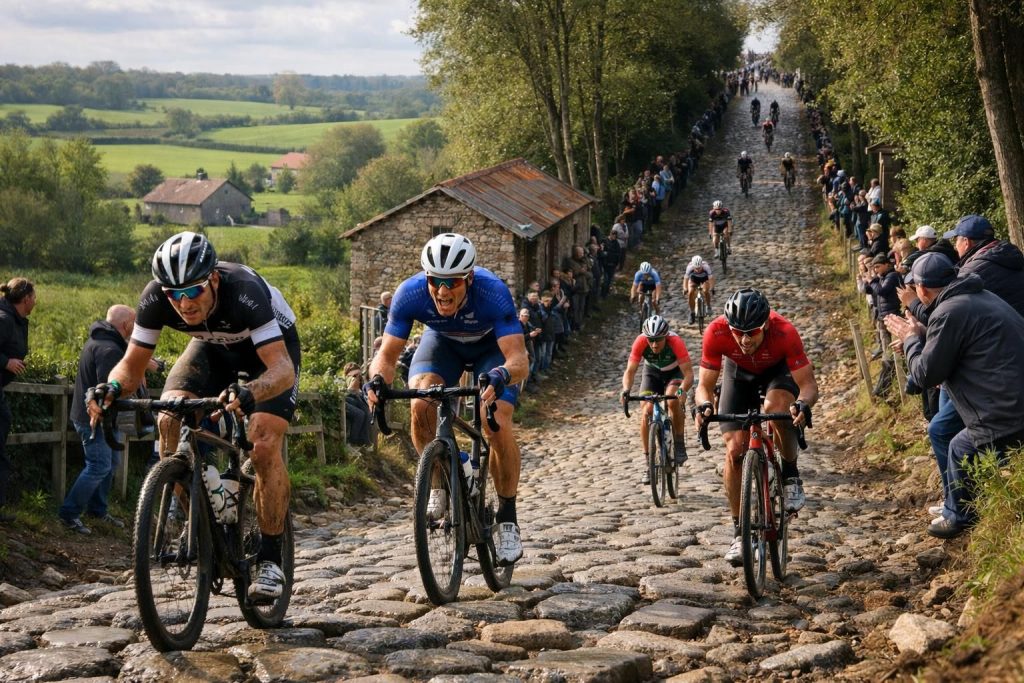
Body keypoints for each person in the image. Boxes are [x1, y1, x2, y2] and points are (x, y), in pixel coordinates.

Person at [86, 231, 300, 601]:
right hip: (210, 348)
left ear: (213, 279)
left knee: (263, 442)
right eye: (175, 294)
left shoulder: (244, 291)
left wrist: (251, 392)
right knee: (169, 417)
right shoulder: (156, 297)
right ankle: (200, 520)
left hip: (268, 353)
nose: (183, 303)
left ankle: (269, 558)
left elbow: (282, 369)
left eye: (193, 291)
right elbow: (131, 365)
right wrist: (111, 389)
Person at [365, 233, 529, 565]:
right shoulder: (409, 294)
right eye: (435, 281)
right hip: (442, 345)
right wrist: (377, 381)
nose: (442, 291)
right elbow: (386, 355)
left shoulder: (492, 292)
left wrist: (501, 375)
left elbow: (519, 361)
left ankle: (507, 517)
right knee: (422, 402)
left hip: (490, 350)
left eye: (451, 282)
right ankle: (441, 477)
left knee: (493, 418)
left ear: (468, 278)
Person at [885, 253, 1024, 538]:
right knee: (941, 428)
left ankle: (961, 515)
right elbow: (955, 343)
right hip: (1006, 394)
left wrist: (911, 340)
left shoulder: (949, 311)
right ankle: (955, 502)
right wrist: (922, 335)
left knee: (959, 446)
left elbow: (926, 375)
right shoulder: (975, 296)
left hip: (1004, 410)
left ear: (922, 289)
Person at [693, 288, 818, 565]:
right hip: (738, 375)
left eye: (753, 332)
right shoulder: (716, 332)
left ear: (766, 325)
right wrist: (703, 406)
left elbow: (808, 385)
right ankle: (740, 533)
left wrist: (803, 404)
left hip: (777, 372)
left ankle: (790, 473)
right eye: (738, 332)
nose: (745, 339)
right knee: (735, 451)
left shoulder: (784, 332)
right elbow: (703, 385)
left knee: (776, 409)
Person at [60, 305, 161, 534]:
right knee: (99, 466)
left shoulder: (102, 341)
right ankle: (69, 514)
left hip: (100, 419)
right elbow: (109, 392)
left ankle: (97, 510)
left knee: (110, 463)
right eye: (134, 324)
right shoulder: (109, 350)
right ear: (126, 325)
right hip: (94, 419)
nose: (136, 329)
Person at [620, 315, 694, 484]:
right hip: (651, 373)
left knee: (672, 400)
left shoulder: (675, 342)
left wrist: (682, 390)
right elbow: (630, 371)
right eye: (651, 340)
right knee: (646, 411)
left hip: (674, 373)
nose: (654, 344)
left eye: (658, 340)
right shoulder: (640, 341)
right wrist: (626, 390)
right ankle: (648, 462)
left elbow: (689, 374)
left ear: (665, 337)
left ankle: (679, 442)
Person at [0, 278, 35, 523]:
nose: (36, 301)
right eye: (34, 296)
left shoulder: (14, 319)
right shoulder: (3, 320)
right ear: (25, 299)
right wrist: (5, 362)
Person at [683, 255, 715, 325]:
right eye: (696, 268)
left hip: (704, 278)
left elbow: (711, 278)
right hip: (693, 278)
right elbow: (685, 279)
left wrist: (712, 288)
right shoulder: (689, 267)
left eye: (699, 268)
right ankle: (692, 313)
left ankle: (708, 306)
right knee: (690, 292)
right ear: (693, 266)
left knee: (706, 291)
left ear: (701, 265)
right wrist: (685, 288)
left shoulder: (706, 267)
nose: (697, 270)